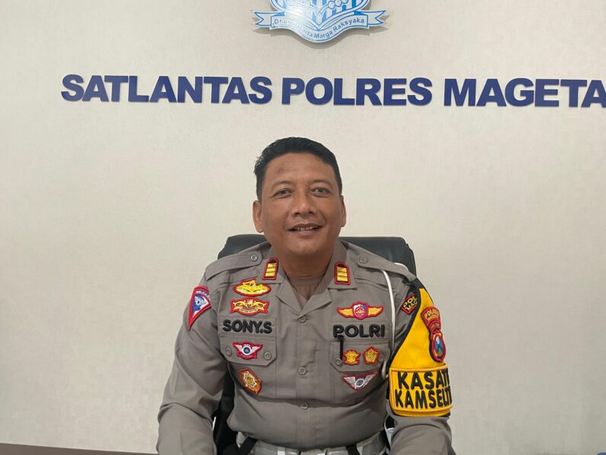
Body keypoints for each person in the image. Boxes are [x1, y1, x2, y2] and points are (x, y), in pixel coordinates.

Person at [157, 137, 454, 455]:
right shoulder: (220, 288)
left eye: (320, 191)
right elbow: (185, 406)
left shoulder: (398, 294)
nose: (303, 206)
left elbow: (422, 423)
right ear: (258, 215)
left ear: (342, 210)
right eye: (284, 192)